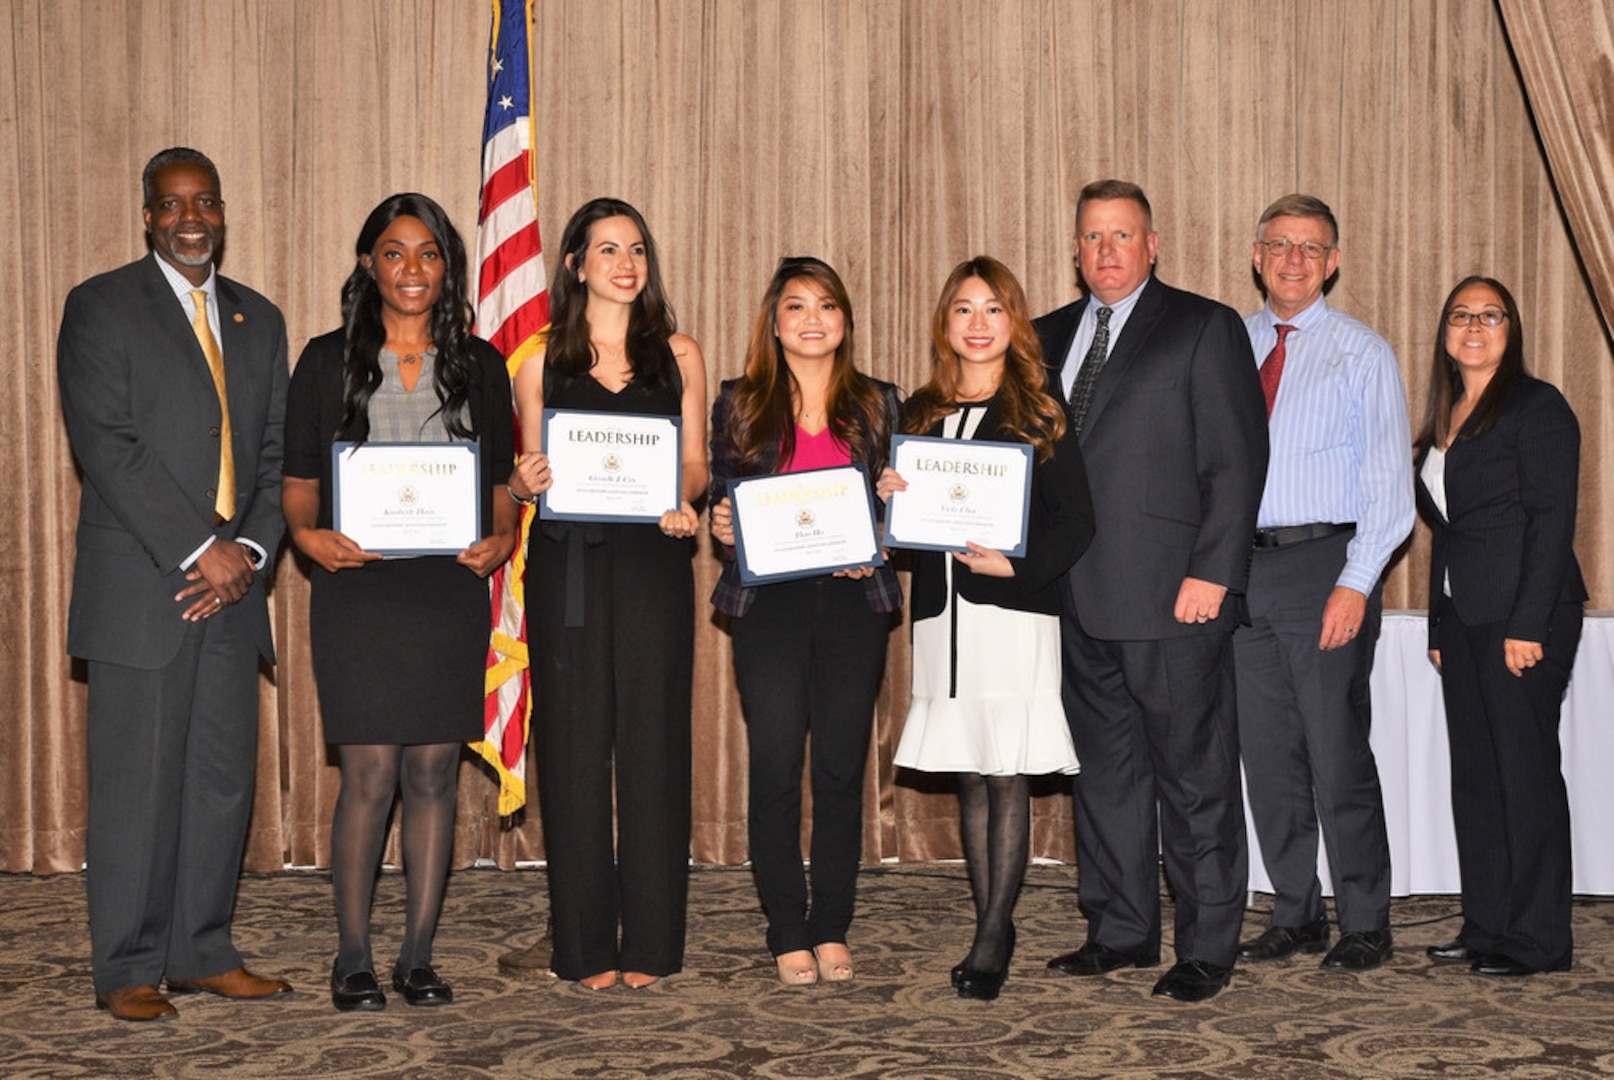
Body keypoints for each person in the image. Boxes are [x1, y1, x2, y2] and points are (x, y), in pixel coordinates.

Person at [57, 147, 293, 1021]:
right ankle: (125, 964)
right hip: (145, 588)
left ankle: (202, 949)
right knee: (135, 783)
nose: (189, 218)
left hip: (235, 591)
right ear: (148, 216)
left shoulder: (257, 318)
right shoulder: (100, 306)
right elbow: (105, 443)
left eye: (203, 202)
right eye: (171, 204)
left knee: (221, 778)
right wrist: (202, 547)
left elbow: (275, 456)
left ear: (223, 212)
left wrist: (251, 557)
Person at [282, 194, 518, 1011]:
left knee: (432, 773)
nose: (411, 269)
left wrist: (502, 537)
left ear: (448, 267)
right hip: (357, 590)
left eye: (427, 254)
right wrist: (308, 539)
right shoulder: (324, 361)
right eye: (393, 252)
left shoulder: (480, 365)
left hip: (446, 589)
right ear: (367, 264)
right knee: (370, 777)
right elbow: (300, 484)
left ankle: (418, 956)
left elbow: (500, 483)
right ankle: (352, 956)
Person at [1035, 179, 1269, 1003]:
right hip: (1072, 598)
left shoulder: (1205, 327)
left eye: (1122, 235)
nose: (1106, 251)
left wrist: (1215, 570)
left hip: (1177, 599)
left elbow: (1238, 463)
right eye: (1092, 237)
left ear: (1153, 243)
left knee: (1195, 778)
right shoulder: (1044, 337)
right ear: (1075, 248)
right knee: (1104, 778)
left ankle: (1208, 945)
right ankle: (1120, 929)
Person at [508, 198, 707, 989]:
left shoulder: (679, 353)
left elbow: (693, 461)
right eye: (608, 250)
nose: (626, 264)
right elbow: (528, 470)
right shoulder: (537, 360)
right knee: (574, 751)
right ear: (574, 265)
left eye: (637, 250)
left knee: (655, 747)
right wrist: (526, 480)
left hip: (656, 562)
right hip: (570, 572)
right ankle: (585, 947)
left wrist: (686, 497)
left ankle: (653, 947)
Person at [883, 258, 1094, 1001]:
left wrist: (1019, 567)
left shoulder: (1038, 407)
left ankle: (992, 935)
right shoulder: (919, 412)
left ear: (1015, 323)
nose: (978, 323)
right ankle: (991, 920)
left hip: (1011, 614)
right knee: (972, 770)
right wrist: (892, 501)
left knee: (1006, 773)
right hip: (943, 621)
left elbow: (1078, 523)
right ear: (945, 323)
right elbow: (907, 539)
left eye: (993, 309)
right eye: (963, 309)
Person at [708, 257, 901, 987]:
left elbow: (896, 511)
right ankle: (786, 925)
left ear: (845, 320)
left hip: (854, 605)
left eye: (827, 305)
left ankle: (831, 926)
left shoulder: (881, 402)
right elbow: (721, 504)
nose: (813, 319)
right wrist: (721, 521)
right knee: (777, 764)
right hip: (771, 609)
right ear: (775, 321)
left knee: (842, 769)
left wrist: (884, 531)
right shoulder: (738, 402)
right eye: (797, 306)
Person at [1233, 195, 1414, 973]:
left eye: (1311, 248)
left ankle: (1366, 919)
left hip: (1325, 569)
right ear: (1257, 254)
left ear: (1333, 261)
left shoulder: (1362, 353)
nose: (1294, 260)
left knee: (1336, 753)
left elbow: (1390, 489)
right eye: (1281, 245)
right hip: (1239, 572)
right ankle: (1296, 912)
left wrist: (1357, 582)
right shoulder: (1226, 345)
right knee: (1267, 758)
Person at [1414, 276, 1585, 977]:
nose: (1475, 327)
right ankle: (1488, 923)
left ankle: (1541, 939)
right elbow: (1448, 532)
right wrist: (1436, 620)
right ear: (1446, 333)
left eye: (1492, 315)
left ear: (1511, 329)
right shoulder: (1446, 412)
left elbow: (1551, 524)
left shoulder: (1539, 408)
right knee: (1478, 779)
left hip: (1525, 619)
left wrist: (1527, 623)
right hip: (1463, 621)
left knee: (1526, 777)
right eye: (1462, 315)